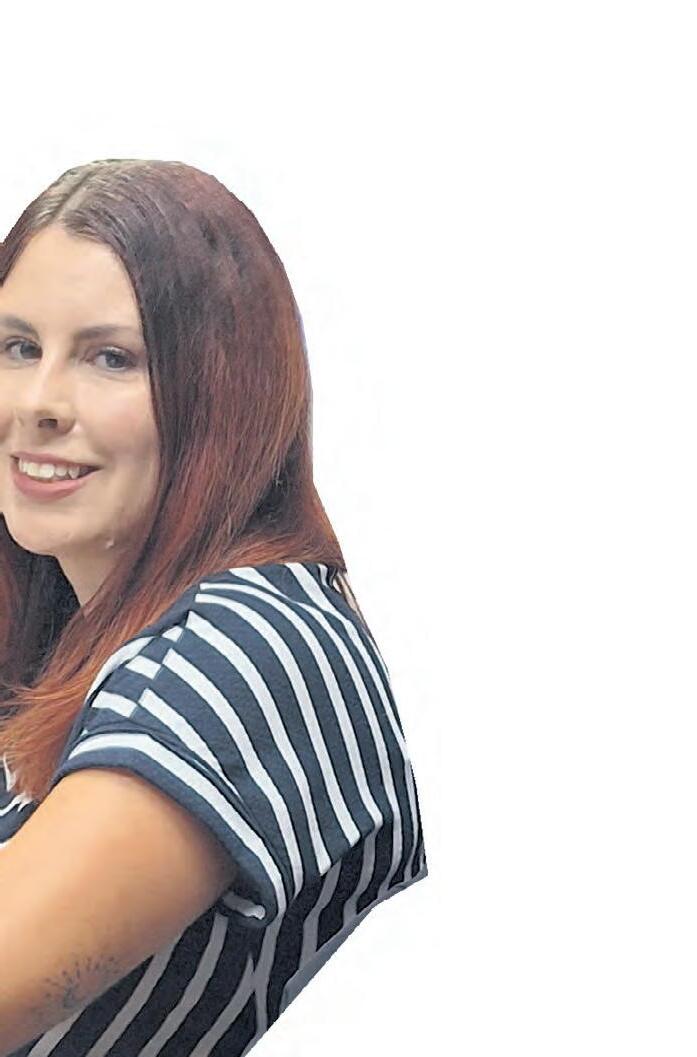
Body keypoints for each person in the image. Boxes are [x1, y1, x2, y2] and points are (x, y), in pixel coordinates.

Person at [0, 159, 428, 1056]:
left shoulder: (250, 641)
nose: (38, 403)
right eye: (18, 347)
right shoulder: (71, 621)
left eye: (111, 358)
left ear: (224, 391)